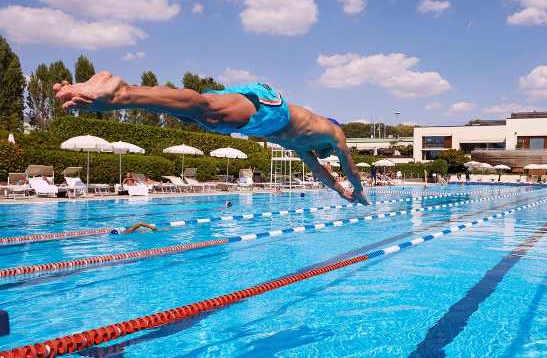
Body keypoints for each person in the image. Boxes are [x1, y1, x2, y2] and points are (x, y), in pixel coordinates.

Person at [54, 72, 368, 205]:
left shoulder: (305, 148)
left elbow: (321, 174)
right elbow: (348, 166)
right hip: (272, 109)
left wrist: (340, 191)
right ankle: (121, 91)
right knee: (205, 107)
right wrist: (358, 190)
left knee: (196, 115)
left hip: (259, 126)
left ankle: (117, 91)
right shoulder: (333, 130)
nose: (326, 155)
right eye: (328, 153)